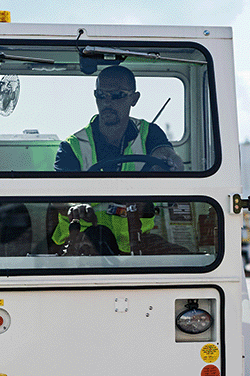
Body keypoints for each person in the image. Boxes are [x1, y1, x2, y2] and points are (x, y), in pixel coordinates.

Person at [51, 65, 183, 255]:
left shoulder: (149, 133)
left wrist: (171, 161)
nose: (107, 101)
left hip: (137, 240)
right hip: (81, 243)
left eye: (117, 95)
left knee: (190, 262)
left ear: (134, 99)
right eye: (100, 94)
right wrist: (74, 207)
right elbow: (57, 198)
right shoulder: (72, 146)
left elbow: (165, 153)